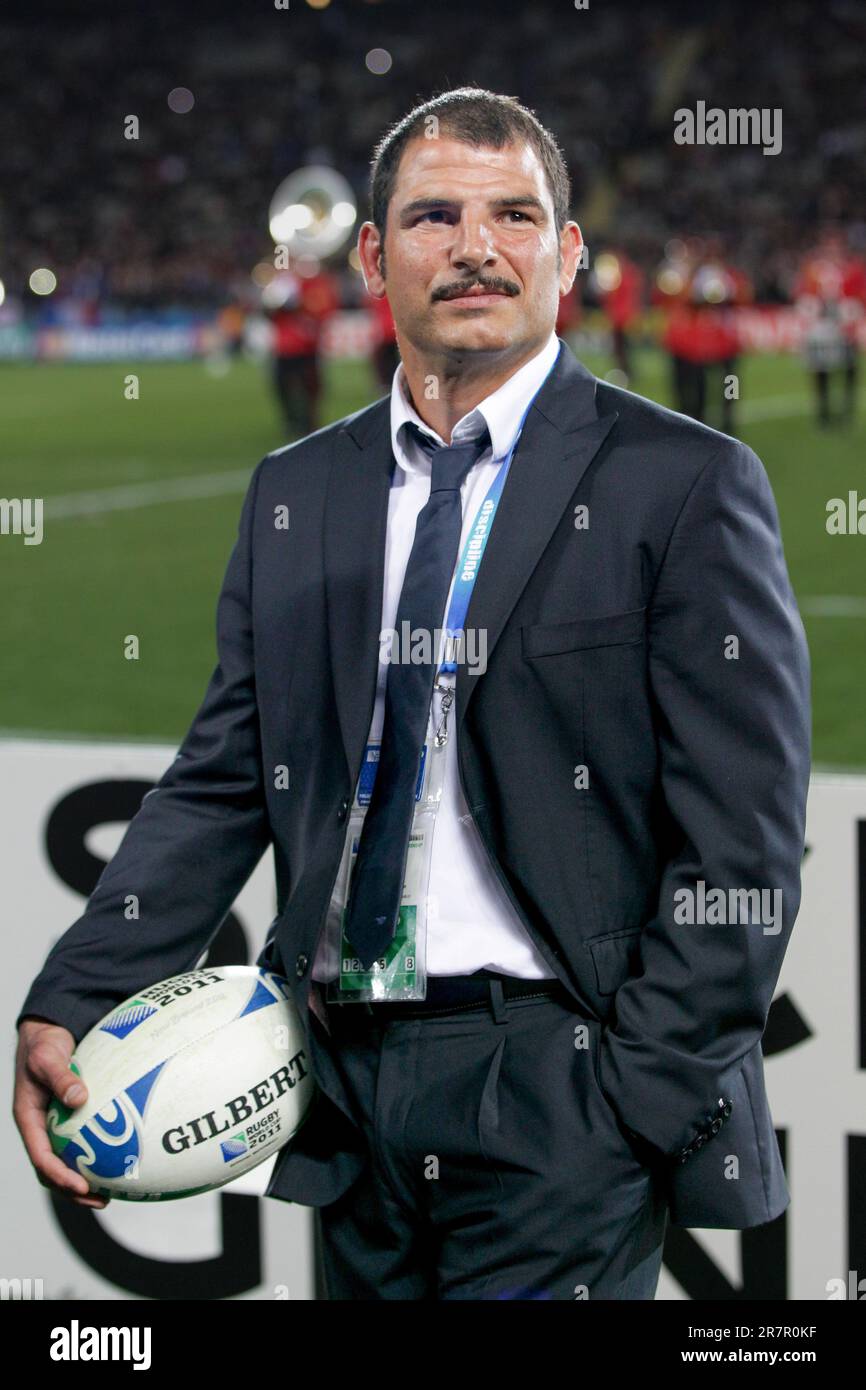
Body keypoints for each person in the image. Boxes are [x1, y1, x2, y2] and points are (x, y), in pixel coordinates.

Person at [14, 87, 811, 1301]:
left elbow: (744, 830)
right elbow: (230, 771)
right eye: (434, 216)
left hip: (562, 1083)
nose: (478, 247)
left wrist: (633, 1092)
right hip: (337, 1087)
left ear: (569, 253)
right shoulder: (298, 489)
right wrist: (73, 991)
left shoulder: (681, 481)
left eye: (516, 215)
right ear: (375, 255)